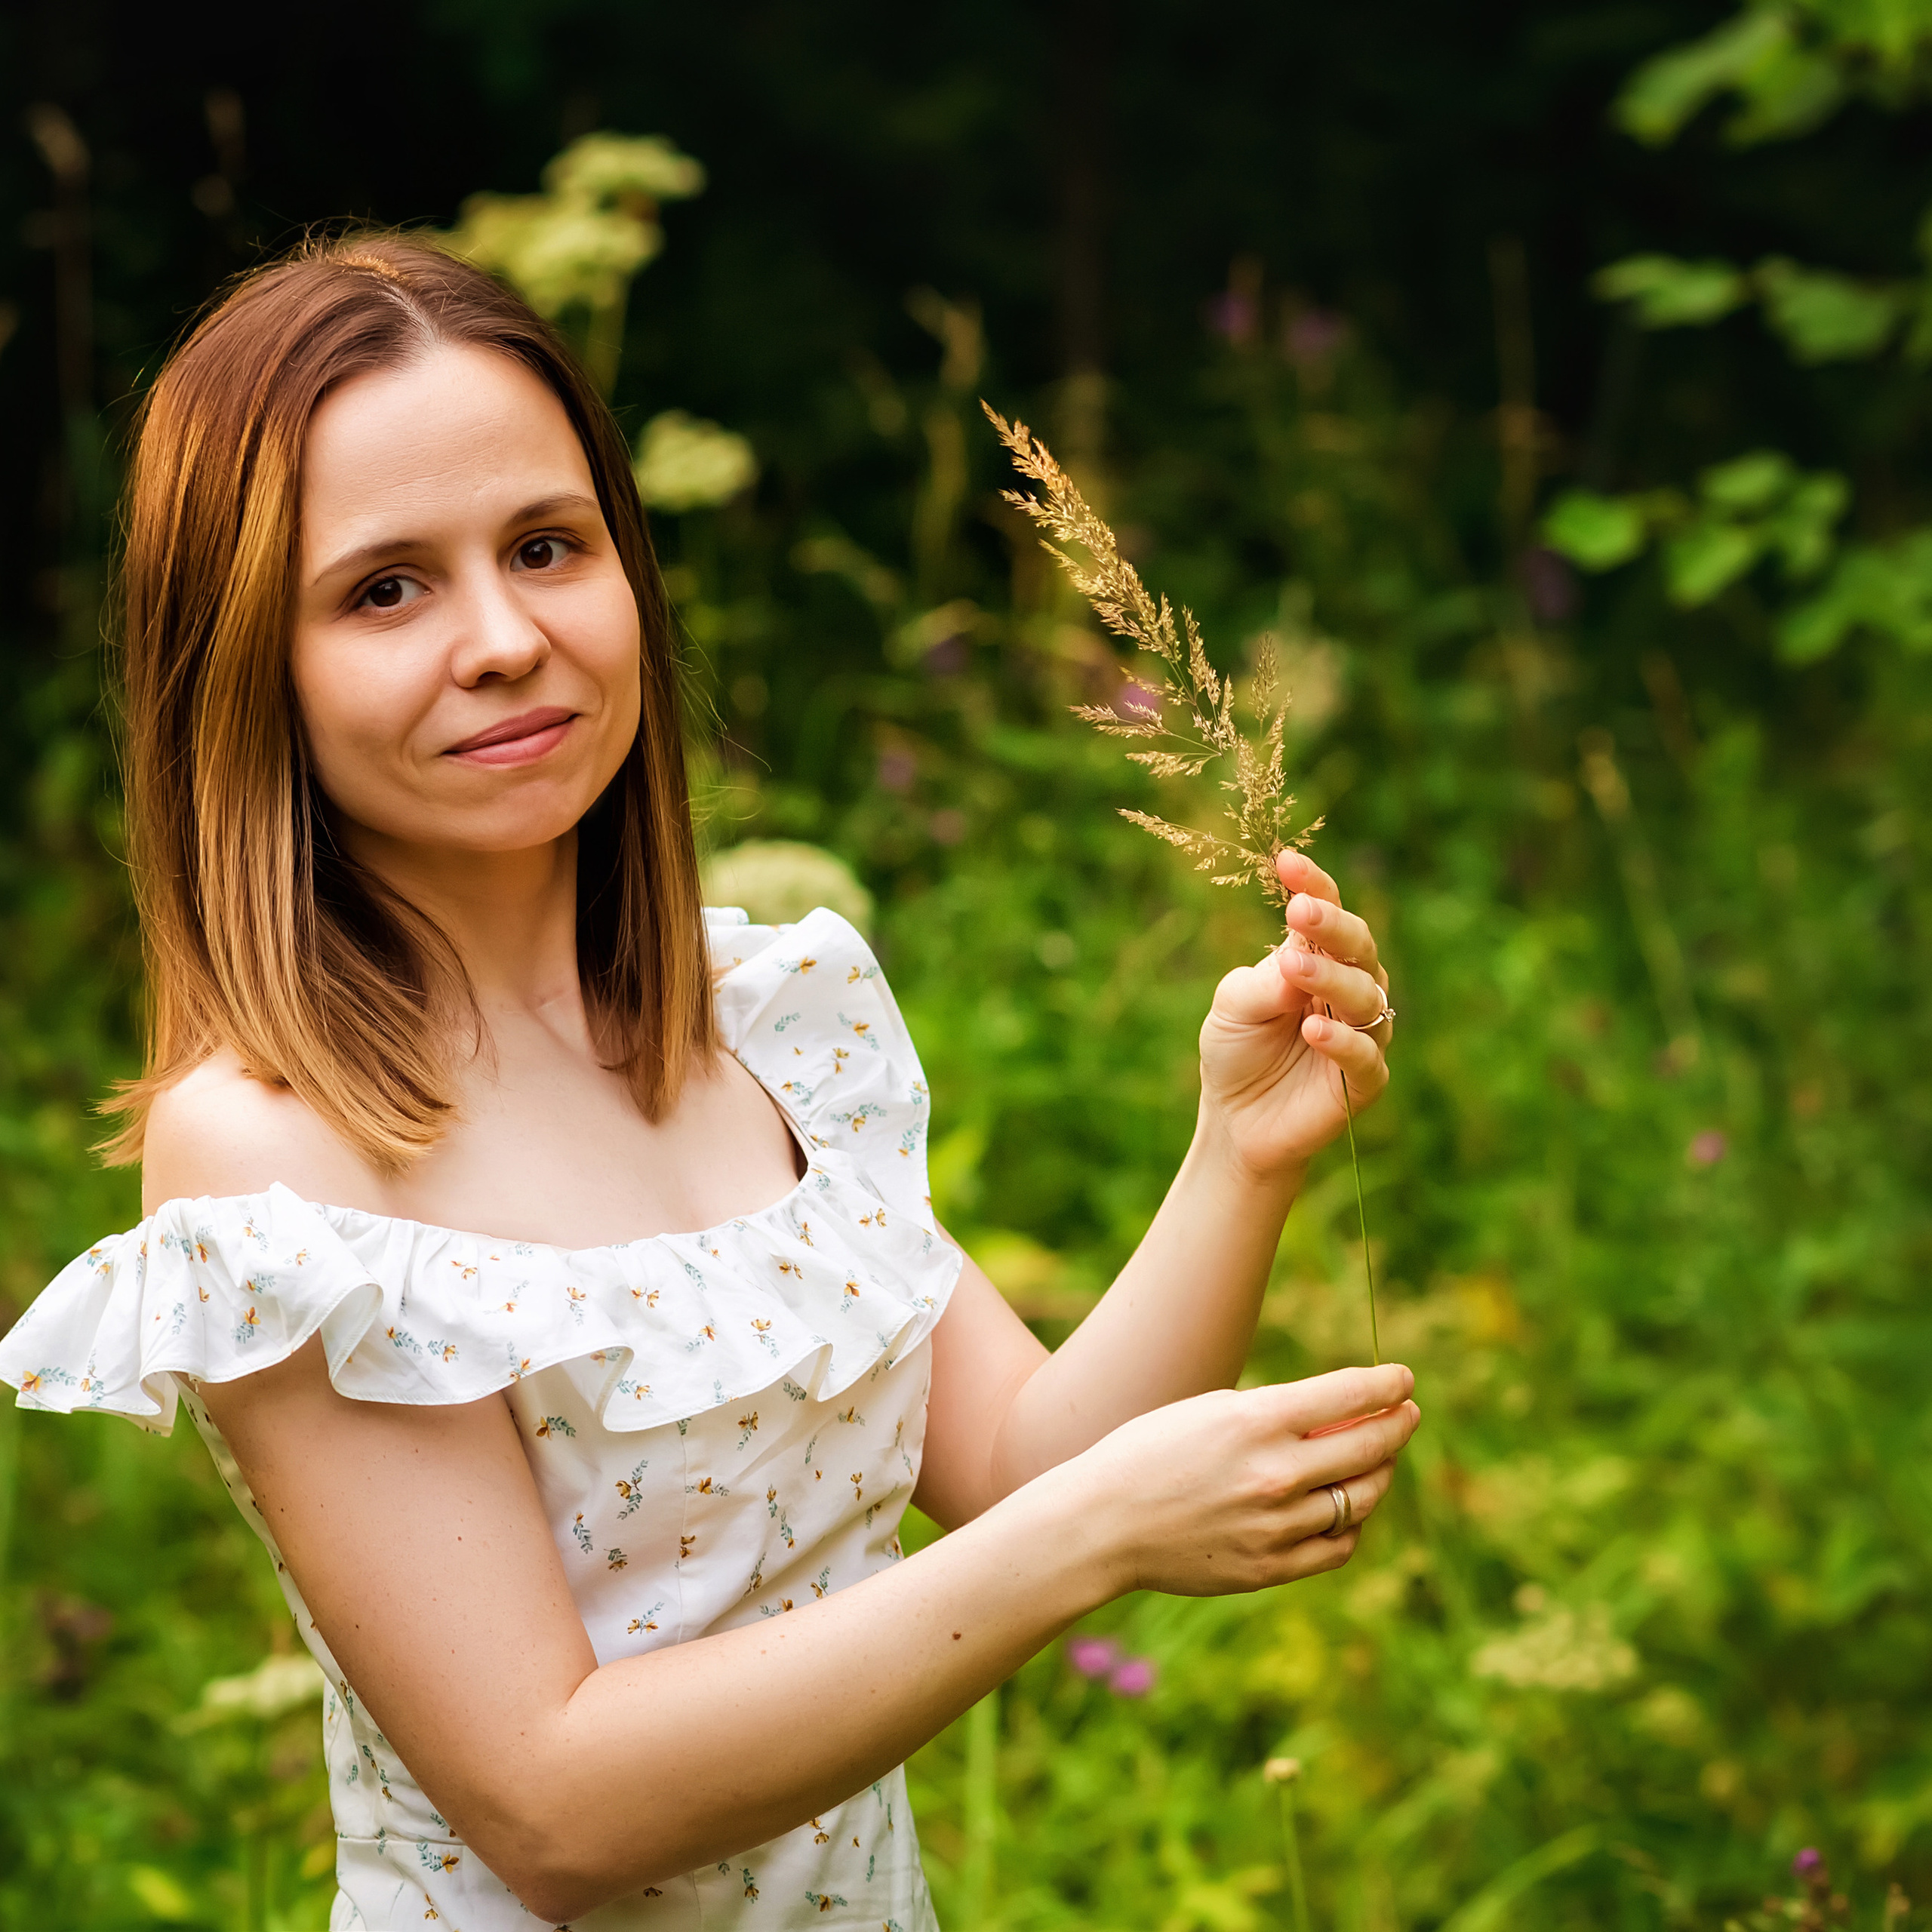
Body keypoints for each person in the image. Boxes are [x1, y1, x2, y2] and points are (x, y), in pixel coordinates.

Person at [0, 235, 1415, 1932]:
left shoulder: (766, 1015)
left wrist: (1236, 1155)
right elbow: (556, 1799)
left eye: (546, 545)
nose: (505, 637)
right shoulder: (273, 1152)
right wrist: (1091, 1538)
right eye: (385, 587)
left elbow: (1030, 1459)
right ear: (243, 667)